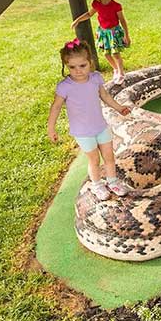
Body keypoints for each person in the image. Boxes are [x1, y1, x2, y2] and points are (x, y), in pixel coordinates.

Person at [47, 39, 133, 201]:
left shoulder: (96, 78)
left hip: (100, 126)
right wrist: (51, 128)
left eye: (82, 66)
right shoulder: (65, 86)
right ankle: (97, 184)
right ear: (66, 65)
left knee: (109, 156)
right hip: (83, 132)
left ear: (90, 62)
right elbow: (56, 107)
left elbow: (105, 95)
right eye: (72, 67)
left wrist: (119, 107)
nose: (78, 71)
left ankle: (112, 181)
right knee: (94, 159)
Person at [71, 0, 130, 84]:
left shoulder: (116, 6)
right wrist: (77, 20)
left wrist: (127, 35)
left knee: (115, 54)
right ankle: (115, 69)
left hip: (113, 33)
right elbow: (89, 14)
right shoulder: (97, 4)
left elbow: (122, 20)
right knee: (106, 54)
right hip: (103, 33)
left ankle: (121, 73)